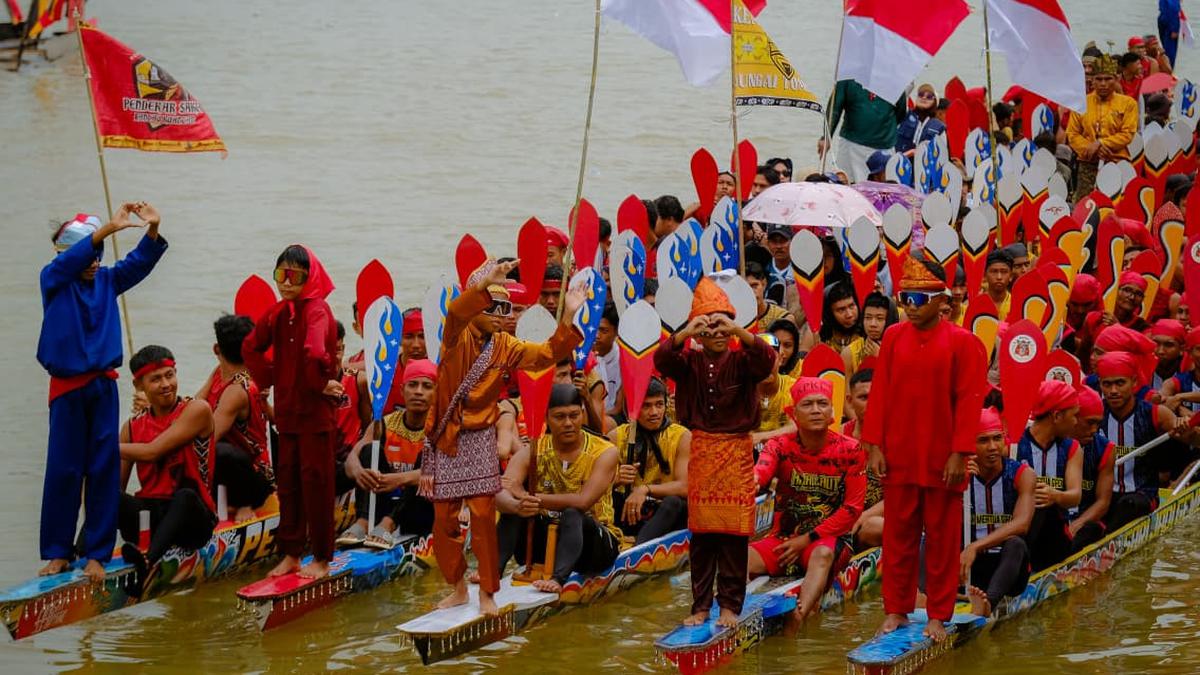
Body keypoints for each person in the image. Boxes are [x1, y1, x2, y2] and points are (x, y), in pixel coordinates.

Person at [419, 259, 583, 615]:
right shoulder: (454, 338)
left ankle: (487, 594)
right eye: (491, 306)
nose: (499, 314)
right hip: (448, 436)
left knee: (481, 516)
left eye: (505, 308)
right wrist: (481, 287)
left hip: (479, 437)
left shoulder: (506, 345)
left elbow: (546, 355)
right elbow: (456, 312)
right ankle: (459, 588)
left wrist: (568, 315)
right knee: (444, 520)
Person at [38, 202, 167, 580]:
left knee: (102, 468)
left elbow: (139, 263)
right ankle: (58, 552)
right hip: (66, 388)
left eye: (98, 256)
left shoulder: (107, 281)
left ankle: (96, 553)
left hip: (102, 387)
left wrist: (153, 229)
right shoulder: (54, 279)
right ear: (70, 255)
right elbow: (69, 262)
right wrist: (108, 230)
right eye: (89, 255)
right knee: (63, 470)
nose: (95, 262)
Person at [863, 257, 987, 642]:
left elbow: (969, 402)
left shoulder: (964, 343)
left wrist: (959, 453)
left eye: (919, 298)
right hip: (899, 453)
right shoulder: (894, 337)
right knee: (897, 537)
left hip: (941, 457)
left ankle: (938, 613)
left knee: (942, 539)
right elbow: (879, 394)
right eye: (905, 299)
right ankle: (897, 610)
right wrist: (874, 446)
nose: (911, 306)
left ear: (942, 301)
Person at [655, 276, 776, 628]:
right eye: (709, 327)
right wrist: (685, 331)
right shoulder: (687, 361)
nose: (717, 333)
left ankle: (730, 606)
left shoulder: (744, 361)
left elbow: (767, 360)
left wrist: (738, 330)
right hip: (704, 452)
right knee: (703, 536)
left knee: (735, 536)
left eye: (722, 324)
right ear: (697, 332)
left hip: (736, 452)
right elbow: (662, 360)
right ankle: (699, 606)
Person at [242, 244, 341, 580]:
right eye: (280, 274)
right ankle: (291, 553)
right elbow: (250, 346)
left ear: (308, 277)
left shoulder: (317, 310)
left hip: (314, 416)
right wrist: (271, 378)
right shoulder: (278, 312)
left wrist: (317, 383)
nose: (285, 283)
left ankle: (323, 558)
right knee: (288, 485)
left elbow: (315, 353)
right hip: (288, 415)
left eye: (293, 275)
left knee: (317, 485)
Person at [751, 378, 866, 620]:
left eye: (822, 404)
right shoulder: (779, 446)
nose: (816, 410)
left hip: (827, 541)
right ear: (793, 414)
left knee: (821, 556)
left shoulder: (851, 450)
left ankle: (799, 618)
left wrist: (807, 539)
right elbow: (761, 471)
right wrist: (752, 481)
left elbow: (852, 509)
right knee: (739, 559)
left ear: (832, 413)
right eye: (808, 405)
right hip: (783, 539)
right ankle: (724, 618)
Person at [496, 384, 620, 592]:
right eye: (559, 417)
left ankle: (557, 580)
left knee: (573, 513)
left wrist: (527, 496)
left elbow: (583, 501)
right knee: (514, 510)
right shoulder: (533, 450)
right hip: (547, 543)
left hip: (595, 546)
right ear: (546, 419)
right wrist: (516, 505)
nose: (568, 423)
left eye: (574, 415)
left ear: (582, 414)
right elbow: (501, 490)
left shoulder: (606, 452)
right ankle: (493, 572)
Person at [117, 346, 217, 587]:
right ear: (139, 386)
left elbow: (153, 452)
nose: (166, 384)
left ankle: (148, 563)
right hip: (151, 517)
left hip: (193, 521)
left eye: (169, 375)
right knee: (106, 495)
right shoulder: (131, 427)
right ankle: (83, 558)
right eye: (156, 379)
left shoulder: (196, 410)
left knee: (184, 497)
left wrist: (99, 449)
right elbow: (114, 487)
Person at [337, 359, 437, 548]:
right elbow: (352, 458)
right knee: (369, 450)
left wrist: (398, 479)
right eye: (413, 385)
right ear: (402, 391)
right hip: (387, 499)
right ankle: (364, 521)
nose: (418, 392)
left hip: (422, 510)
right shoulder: (383, 424)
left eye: (427, 386)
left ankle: (388, 524)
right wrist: (359, 472)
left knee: (429, 460)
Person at [1097, 352, 1193, 528]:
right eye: (1107, 384)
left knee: (1128, 505)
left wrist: (1185, 428)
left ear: (1134, 382)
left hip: (1141, 496)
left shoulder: (1156, 414)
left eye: (1120, 383)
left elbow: (1194, 440)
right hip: (1102, 496)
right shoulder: (1094, 414)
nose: (1113, 391)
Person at [962, 408, 1036, 617]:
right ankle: (923, 596)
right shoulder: (959, 474)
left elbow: (1022, 524)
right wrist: (957, 487)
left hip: (1008, 568)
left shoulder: (1022, 474)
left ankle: (987, 606)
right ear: (970, 444)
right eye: (983, 441)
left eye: (997, 438)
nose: (993, 447)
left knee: (1016, 543)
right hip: (969, 565)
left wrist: (975, 547)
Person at [199, 314, 272, 523]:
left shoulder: (237, 391)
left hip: (254, 479)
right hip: (228, 473)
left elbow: (208, 437)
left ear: (216, 349)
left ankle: (244, 503)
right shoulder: (218, 373)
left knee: (215, 449)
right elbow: (195, 405)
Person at [608, 378, 691, 544]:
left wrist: (644, 489)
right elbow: (596, 489)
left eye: (659, 404)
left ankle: (638, 548)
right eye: (646, 406)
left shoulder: (682, 436)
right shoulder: (616, 436)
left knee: (673, 503)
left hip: (665, 512)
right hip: (631, 511)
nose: (654, 412)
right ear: (634, 408)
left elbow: (685, 486)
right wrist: (616, 480)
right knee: (613, 498)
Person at [1016, 381, 1083, 570]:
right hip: (1018, 531)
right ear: (1057, 415)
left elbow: (1075, 496)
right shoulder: (1014, 444)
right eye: (1074, 415)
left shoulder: (1072, 448)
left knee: (1041, 505)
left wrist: (1054, 496)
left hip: (1055, 535)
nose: (1076, 422)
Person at [1067, 54, 1139, 201]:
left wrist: (1100, 143)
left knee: (1115, 206)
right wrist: (1090, 149)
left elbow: (1127, 134)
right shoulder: (1081, 102)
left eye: (1108, 79)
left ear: (1116, 79)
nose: (1103, 84)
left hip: (1116, 161)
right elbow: (1072, 134)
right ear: (1092, 81)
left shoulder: (1128, 104)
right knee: (1084, 206)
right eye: (1099, 79)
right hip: (1087, 164)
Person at [820, 79, 907, 182]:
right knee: (845, 186)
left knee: (885, 190)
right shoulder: (848, 76)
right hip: (851, 145)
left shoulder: (895, 79)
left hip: (884, 147)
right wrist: (826, 137)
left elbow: (901, 112)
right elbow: (835, 109)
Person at [1067, 387, 1116, 551]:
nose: (1094, 430)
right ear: (1072, 418)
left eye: (1098, 423)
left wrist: (1075, 526)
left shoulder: (1105, 449)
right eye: (1089, 422)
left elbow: (1103, 502)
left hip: (1085, 522)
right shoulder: (1051, 444)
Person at [843, 370, 884, 549]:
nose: (873, 403)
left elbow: (903, 496)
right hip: (843, 522)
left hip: (883, 521)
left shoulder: (900, 440)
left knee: (876, 526)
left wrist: (863, 517)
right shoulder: (839, 437)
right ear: (850, 401)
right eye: (864, 397)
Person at [842, 292, 897, 379]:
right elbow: (847, 391)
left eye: (879, 318)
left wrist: (881, 358)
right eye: (868, 317)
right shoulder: (849, 353)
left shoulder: (900, 349)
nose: (872, 324)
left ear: (890, 320)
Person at [895, 84, 946, 154]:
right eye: (921, 94)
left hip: (924, 163)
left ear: (935, 103)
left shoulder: (940, 127)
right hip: (899, 162)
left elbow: (942, 154)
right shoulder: (904, 114)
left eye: (929, 96)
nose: (924, 97)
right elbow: (900, 95)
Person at [746, 261, 792, 333]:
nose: (750, 292)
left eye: (754, 286)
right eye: (745, 287)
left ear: (764, 284)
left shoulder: (782, 318)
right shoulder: (733, 319)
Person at [1162, 327, 1200, 412]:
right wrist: (1179, 408)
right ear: (1190, 353)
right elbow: (1162, 402)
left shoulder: (1180, 394)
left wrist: (1180, 397)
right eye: (1199, 349)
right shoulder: (1175, 382)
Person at [594, 304, 622, 416]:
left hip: (614, 418)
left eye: (603, 331)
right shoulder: (582, 356)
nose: (596, 335)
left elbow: (618, 408)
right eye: (594, 329)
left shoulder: (623, 359)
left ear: (616, 332)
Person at [819, 283, 862, 352]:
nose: (849, 315)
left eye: (851, 306)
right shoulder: (820, 336)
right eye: (841, 310)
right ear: (830, 314)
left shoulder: (868, 333)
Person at [1149, 319, 1186, 391]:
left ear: (1182, 349)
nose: (1160, 351)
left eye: (1168, 345)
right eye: (1156, 343)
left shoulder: (1192, 372)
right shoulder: (1142, 369)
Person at [763, 225, 794, 306]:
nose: (779, 246)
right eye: (774, 242)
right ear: (767, 243)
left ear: (792, 242)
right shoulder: (762, 271)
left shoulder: (800, 271)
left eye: (783, 241)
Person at [983, 249, 1014, 322]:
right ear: (985, 275)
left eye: (1004, 272)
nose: (999, 277)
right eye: (994, 271)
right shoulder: (975, 304)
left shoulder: (1016, 305)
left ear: (1011, 276)